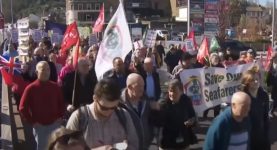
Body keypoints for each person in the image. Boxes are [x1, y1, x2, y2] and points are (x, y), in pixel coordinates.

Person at [66, 78, 139, 149]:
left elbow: (134, 144)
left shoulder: (123, 115)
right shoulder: (79, 117)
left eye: (113, 108)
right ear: (94, 98)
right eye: (104, 108)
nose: (109, 112)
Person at [19, 61, 65, 150]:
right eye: (43, 69)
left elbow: (61, 103)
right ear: (36, 72)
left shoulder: (55, 87)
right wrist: (32, 121)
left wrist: (60, 116)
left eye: (48, 69)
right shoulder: (30, 88)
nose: (47, 72)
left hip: (55, 124)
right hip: (40, 127)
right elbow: (22, 108)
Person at [155, 79, 197, 150]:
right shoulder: (163, 104)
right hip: (167, 142)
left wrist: (191, 121)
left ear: (181, 91)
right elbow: (157, 122)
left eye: (175, 91)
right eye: (170, 91)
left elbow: (192, 115)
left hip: (183, 141)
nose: (172, 94)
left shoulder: (186, 100)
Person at [121, 73, 157, 149]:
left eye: (143, 86)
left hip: (147, 146)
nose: (142, 89)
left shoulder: (145, 99)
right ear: (129, 87)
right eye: (139, 86)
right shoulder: (119, 104)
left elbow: (151, 121)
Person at [240, 68, 270, 150]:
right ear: (247, 82)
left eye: (257, 79)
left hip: (261, 135)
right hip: (247, 137)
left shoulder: (264, 95)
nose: (256, 82)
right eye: (253, 80)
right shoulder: (243, 97)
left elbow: (265, 117)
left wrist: (266, 136)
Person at [267, 53, 277, 118]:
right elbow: (266, 74)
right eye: (273, 57)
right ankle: (270, 111)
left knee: (275, 98)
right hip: (271, 84)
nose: (274, 58)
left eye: (275, 57)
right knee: (271, 98)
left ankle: (273, 110)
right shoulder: (270, 64)